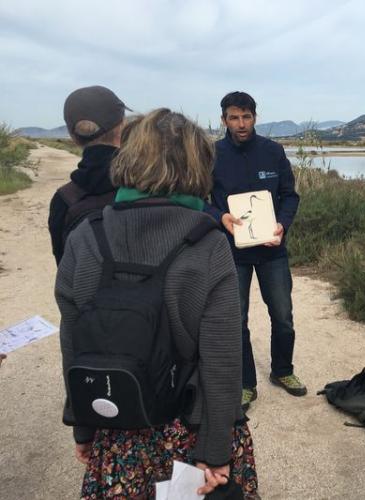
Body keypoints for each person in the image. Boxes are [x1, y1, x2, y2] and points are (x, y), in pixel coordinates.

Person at [56, 109, 257, 498]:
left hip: (117, 425)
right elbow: (221, 358)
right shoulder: (208, 243)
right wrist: (216, 451)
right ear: (199, 165)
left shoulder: (86, 235)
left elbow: (74, 344)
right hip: (190, 430)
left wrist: (83, 425)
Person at [206, 91, 304, 411]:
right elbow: (199, 200)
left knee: (283, 316)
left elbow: (290, 196)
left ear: (255, 117)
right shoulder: (212, 155)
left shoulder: (273, 152)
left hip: (272, 251)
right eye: (234, 117)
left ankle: (283, 371)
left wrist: (282, 225)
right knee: (237, 321)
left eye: (246, 116)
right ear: (224, 120)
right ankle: (246, 384)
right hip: (232, 253)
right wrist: (219, 216)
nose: (241, 123)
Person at [48, 85, 128, 265]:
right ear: (123, 127)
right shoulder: (147, 186)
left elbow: (63, 267)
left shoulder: (64, 200)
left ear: (72, 137)